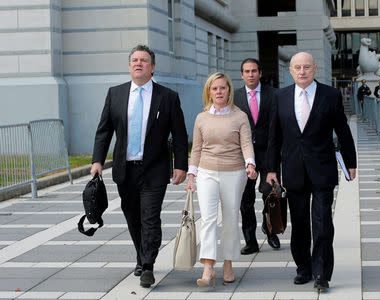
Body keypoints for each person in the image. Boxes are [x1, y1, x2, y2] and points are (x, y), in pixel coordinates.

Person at [90, 44, 188, 288]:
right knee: (132, 215)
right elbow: (104, 131)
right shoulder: (116, 94)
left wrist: (181, 165)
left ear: (152, 67)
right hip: (126, 168)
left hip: (155, 168)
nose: (138, 63)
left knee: (150, 217)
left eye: (144, 60)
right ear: (129, 65)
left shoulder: (168, 97)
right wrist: (97, 161)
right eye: (134, 60)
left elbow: (179, 133)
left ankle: (148, 265)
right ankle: (141, 253)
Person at [266, 52, 357, 292]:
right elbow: (274, 136)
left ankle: (321, 273)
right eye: (297, 67)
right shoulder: (281, 97)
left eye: (307, 67)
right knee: (300, 223)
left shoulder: (331, 95)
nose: (302, 71)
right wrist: (271, 169)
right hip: (293, 170)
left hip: (322, 169)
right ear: (291, 71)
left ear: (315, 69)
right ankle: (303, 268)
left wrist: (351, 162)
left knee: (323, 223)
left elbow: (343, 131)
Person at [185, 72, 257, 288]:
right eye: (214, 88)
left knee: (229, 220)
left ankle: (227, 263)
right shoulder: (201, 117)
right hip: (206, 172)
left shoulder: (240, 116)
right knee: (208, 220)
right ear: (209, 91)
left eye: (222, 88)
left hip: (234, 173)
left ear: (229, 91)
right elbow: (196, 149)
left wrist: (250, 164)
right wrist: (191, 176)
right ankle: (208, 267)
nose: (218, 92)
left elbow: (246, 144)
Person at [233, 58, 282, 255]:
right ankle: (250, 241)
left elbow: (277, 127)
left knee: (271, 194)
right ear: (242, 74)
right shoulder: (234, 96)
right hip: (243, 155)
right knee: (246, 200)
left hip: (269, 152)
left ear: (260, 73)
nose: (251, 75)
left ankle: (270, 230)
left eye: (254, 71)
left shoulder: (274, 95)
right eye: (247, 71)